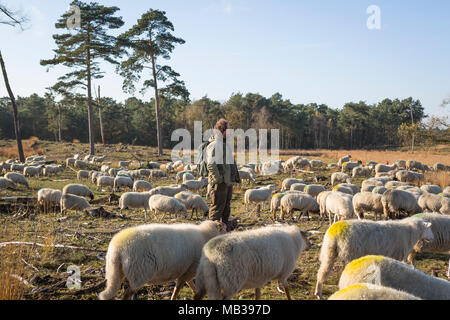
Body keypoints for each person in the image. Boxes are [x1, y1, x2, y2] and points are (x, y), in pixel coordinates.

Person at [205, 119, 241, 230]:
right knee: (217, 209)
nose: (231, 132)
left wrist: (232, 179)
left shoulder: (224, 144)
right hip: (219, 183)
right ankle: (210, 233)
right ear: (222, 130)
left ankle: (225, 231)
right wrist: (218, 179)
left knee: (226, 208)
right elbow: (211, 164)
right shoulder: (215, 144)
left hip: (227, 182)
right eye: (229, 129)